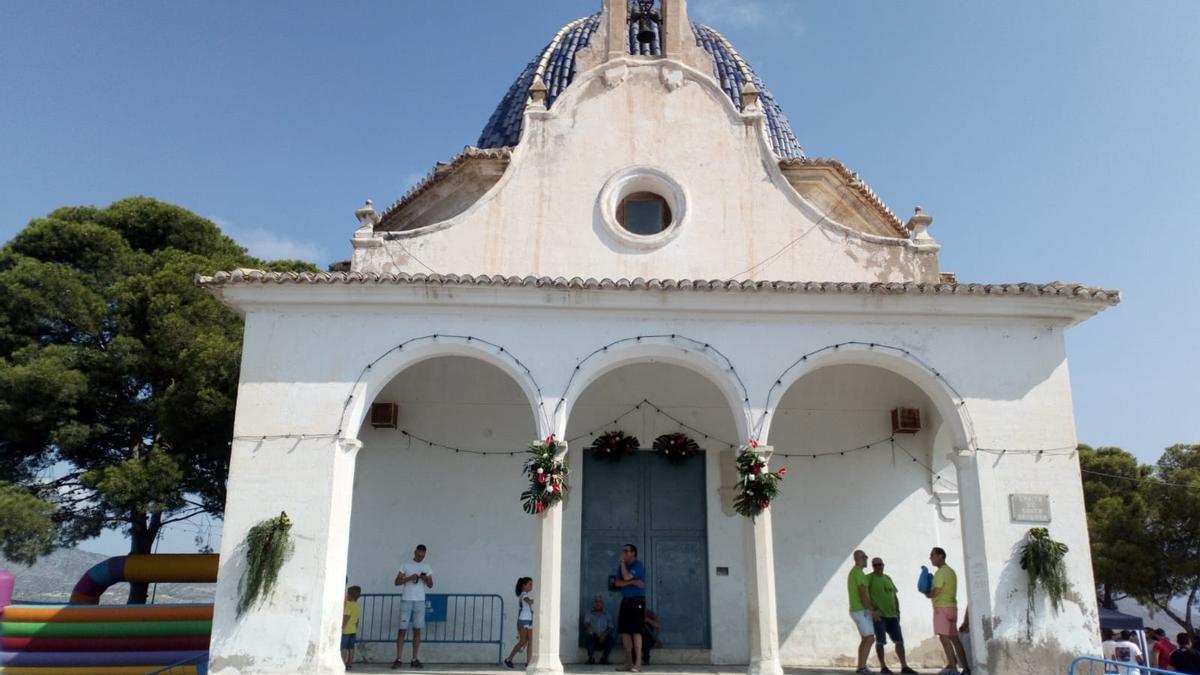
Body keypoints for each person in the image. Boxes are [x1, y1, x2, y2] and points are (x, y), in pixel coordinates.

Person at [868, 557, 916, 674]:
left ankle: (904, 666)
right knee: (880, 642)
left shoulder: (888, 578)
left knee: (899, 641)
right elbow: (864, 595)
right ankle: (883, 667)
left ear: (883, 565)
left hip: (893, 616)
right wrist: (872, 610)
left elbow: (894, 595)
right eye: (876, 565)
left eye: (880, 564)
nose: (878, 567)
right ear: (872, 567)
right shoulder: (869, 578)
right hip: (880, 616)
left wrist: (898, 612)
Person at [925, 547, 969, 675]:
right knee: (955, 640)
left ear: (940, 556)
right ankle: (965, 668)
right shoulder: (951, 572)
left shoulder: (940, 572)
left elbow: (937, 591)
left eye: (932, 555)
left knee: (944, 639)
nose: (930, 558)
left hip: (941, 609)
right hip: (952, 608)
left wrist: (927, 594)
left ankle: (953, 670)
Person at [392, 544, 433, 669]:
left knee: (417, 630)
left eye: (423, 555)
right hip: (406, 600)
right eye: (418, 555)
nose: (420, 557)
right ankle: (398, 658)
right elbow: (396, 582)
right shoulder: (405, 565)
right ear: (415, 552)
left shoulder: (427, 566)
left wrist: (425, 579)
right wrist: (409, 578)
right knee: (402, 629)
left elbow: (431, 585)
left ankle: (414, 658)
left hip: (420, 601)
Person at [613, 543, 647, 673]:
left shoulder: (637, 565)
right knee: (625, 633)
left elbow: (625, 577)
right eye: (623, 551)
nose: (624, 553)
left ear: (633, 553)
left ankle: (638, 664)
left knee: (636, 632)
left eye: (627, 551)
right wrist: (633, 582)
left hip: (637, 601)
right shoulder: (622, 567)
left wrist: (627, 579)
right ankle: (628, 662)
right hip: (625, 601)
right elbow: (617, 583)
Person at [847, 549, 879, 675]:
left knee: (865, 639)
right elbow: (862, 593)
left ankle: (861, 667)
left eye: (866, 557)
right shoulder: (858, 573)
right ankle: (862, 668)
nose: (866, 559)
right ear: (858, 559)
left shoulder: (855, 573)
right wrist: (872, 610)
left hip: (857, 610)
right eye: (864, 557)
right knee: (870, 638)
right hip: (860, 610)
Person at [504, 577, 534, 669]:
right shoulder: (524, 595)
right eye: (529, 584)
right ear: (524, 585)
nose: (531, 586)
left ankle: (528, 663)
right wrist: (535, 600)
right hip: (523, 620)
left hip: (529, 620)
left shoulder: (526, 594)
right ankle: (508, 659)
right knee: (522, 642)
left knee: (530, 642)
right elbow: (527, 600)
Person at [583, 594, 615, 665]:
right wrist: (590, 629)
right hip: (593, 637)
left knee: (611, 638)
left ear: (602, 603)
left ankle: (604, 658)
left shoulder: (607, 614)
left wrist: (604, 634)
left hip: (603, 638)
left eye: (600, 602)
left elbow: (611, 627)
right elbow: (586, 623)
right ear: (593, 603)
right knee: (588, 634)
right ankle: (591, 658)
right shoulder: (589, 613)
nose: (598, 603)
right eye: (596, 601)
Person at [342, 585, 362, 671]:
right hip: (353, 630)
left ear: (350, 596)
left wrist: (342, 627)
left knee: (344, 648)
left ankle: (343, 662)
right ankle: (349, 664)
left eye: (347, 594)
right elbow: (357, 620)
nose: (346, 595)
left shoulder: (349, 606)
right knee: (351, 648)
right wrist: (356, 628)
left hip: (346, 630)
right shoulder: (357, 606)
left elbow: (346, 617)